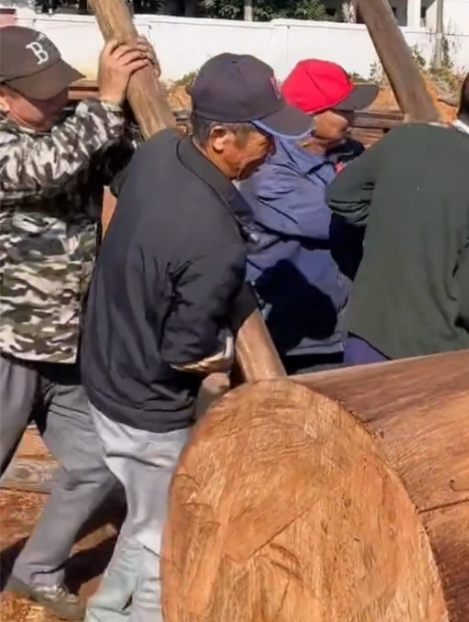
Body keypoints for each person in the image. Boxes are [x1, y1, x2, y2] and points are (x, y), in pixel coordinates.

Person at [79, 53, 312, 622]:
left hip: (106, 366)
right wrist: (227, 353)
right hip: (147, 407)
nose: (273, 150)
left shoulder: (160, 152)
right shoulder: (214, 239)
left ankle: (106, 611)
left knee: (144, 517)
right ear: (222, 138)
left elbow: (120, 178)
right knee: (168, 543)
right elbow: (187, 353)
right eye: (263, 137)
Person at [0, 28, 153, 620]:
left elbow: (128, 169)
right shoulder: (17, 144)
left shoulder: (74, 128)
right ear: (4, 97)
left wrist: (140, 98)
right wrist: (107, 104)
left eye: (61, 86)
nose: (59, 99)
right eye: (41, 93)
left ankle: (36, 568)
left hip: (67, 343)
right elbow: (45, 168)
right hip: (8, 343)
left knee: (97, 465)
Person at [326, 61, 469, 366]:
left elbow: (341, 196)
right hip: (432, 360)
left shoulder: (403, 140)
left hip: (365, 338)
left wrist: (395, 224)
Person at [240, 59, 377, 374]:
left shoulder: (351, 153)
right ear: (310, 115)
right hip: (294, 338)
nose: (353, 117)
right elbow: (339, 219)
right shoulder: (269, 171)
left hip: (347, 327)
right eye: (343, 110)